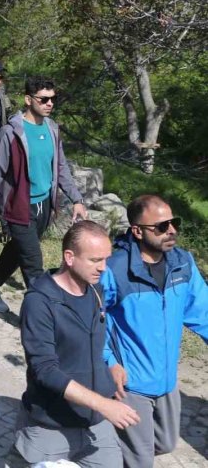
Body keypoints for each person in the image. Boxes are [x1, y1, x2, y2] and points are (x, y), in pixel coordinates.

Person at [16, 220, 138, 466]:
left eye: (106, 259)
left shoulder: (95, 291)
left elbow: (95, 340)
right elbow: (45, 371)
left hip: (95, 425)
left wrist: (110, 365)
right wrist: (104, 404)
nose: (103, 268)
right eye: (95, 260)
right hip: (50, 428)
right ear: (69, 257)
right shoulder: (40, 303)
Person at [100, 195, 208, 467]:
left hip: (166, 381)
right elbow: (90, 319)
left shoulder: (182, 264)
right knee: (140, 459)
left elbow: (202, 310)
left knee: (166, 442)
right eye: (161, 226)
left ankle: (104, 442)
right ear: (137, 230)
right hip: (131, 383)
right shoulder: (115, 270)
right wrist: (109, 363)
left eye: (174, 223)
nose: (171, 230)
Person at [0, 76, 87, 313]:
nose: (50, 104)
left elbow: (60, 167)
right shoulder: (10, 133)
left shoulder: (52, 129)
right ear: (29, 99)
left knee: (17, 252)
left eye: (53, 99)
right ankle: (44, 321)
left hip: (44, 207)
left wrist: (76, 198)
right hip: (19, 207)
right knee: (34, 265)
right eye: (44, 99)